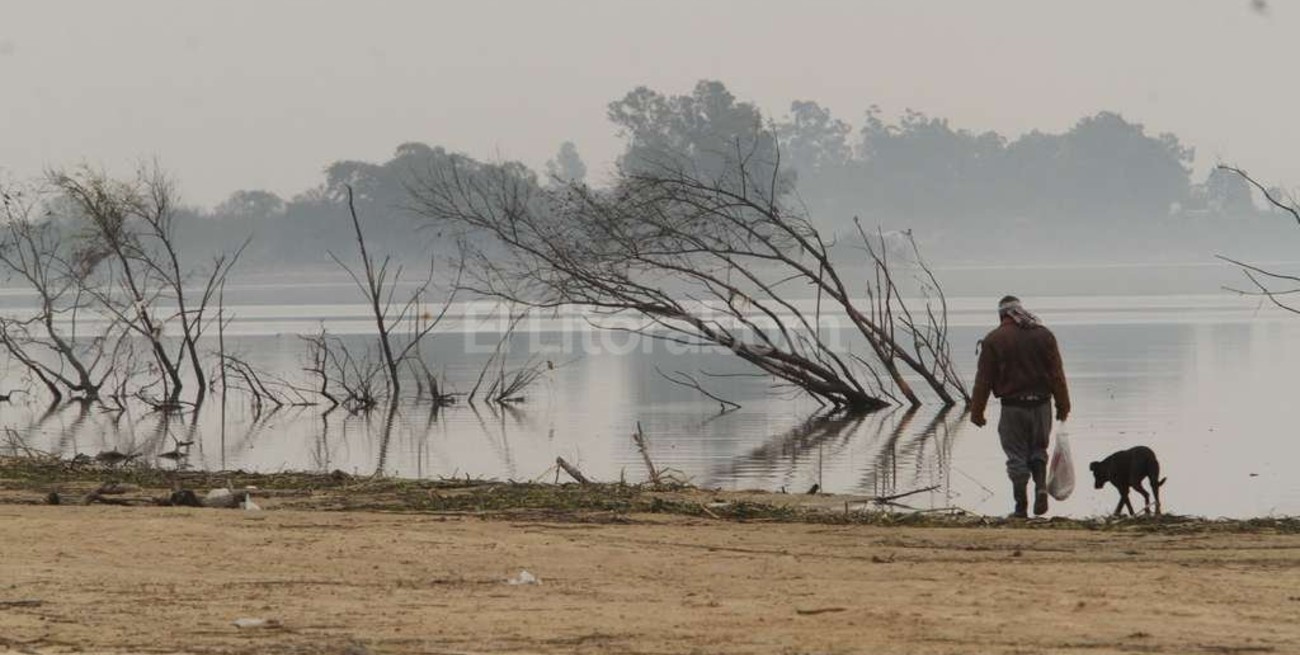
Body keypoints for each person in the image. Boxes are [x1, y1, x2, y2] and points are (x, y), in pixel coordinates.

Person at [970, 295, 1070, 518]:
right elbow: (1057, 375)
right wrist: (1063, 405)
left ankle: (1021, 506)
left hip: (1012, 409)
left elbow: (983, 381)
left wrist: (977, 412)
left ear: (1001, 315)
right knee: (1038, 450)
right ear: (1019, 311)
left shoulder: (994, 340)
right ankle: (1041, 488)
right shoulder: (1044, 336)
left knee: (1016, 456)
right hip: (1042, 406)